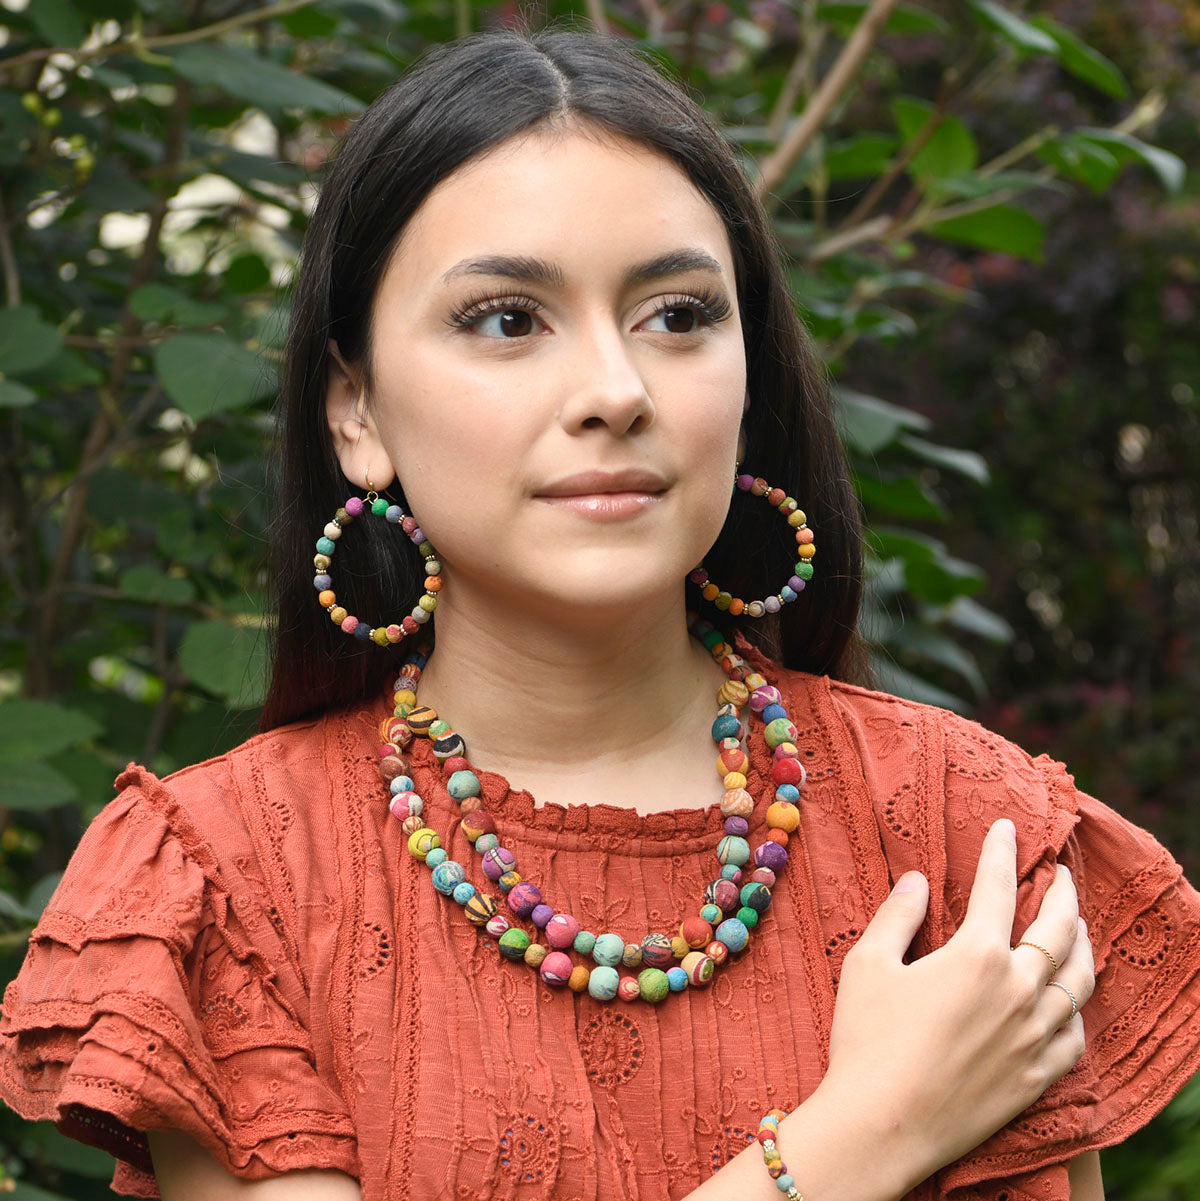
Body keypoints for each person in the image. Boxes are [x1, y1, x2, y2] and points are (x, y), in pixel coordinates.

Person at [1, 25, 1198, 1201]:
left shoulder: (967, 830)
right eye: (507, 319)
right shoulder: (230, 882)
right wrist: (867, 1135)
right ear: (355, 411)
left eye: (678, 315)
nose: (616, 392)